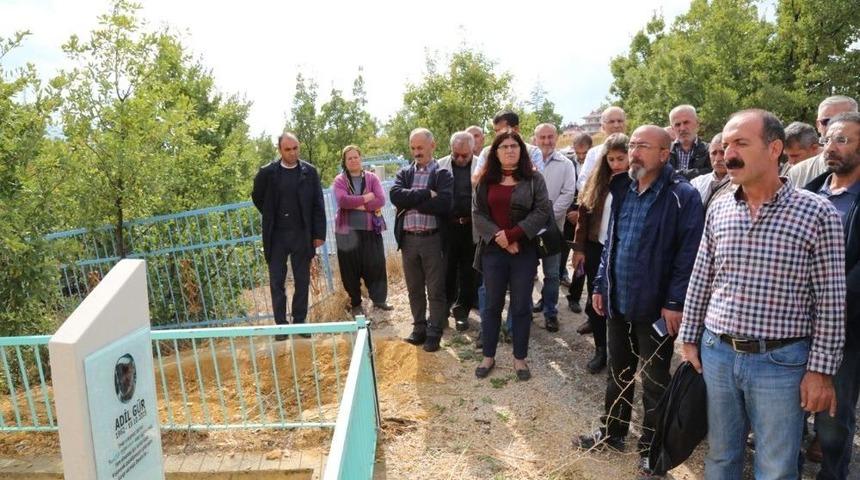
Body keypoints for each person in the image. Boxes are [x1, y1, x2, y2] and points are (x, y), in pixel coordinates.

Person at [680, 109, 845, 479]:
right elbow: (701, 276)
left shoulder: (816, 213)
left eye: (741, 143)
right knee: (721, 458)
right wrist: (690, 337)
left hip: (781, 363)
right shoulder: (720, 206)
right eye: (725, 145)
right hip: (717, 354)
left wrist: (820, 370)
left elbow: (832, 301)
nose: (728, 153)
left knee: (775, 466)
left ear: (774, 149)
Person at [575, 125, 704, 480]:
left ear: (665, 153)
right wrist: (600, 285)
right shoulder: (622, 189)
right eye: (632, 145)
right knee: (619, 371)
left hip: (657, 307)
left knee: (655, 380)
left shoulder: (683, 196)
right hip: (618, 300)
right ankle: (613, 433)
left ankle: (652, 449)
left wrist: (675, 302)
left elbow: (687, 255)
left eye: (643, 146)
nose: (634, 152)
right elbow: (610, 245)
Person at [805, 112, 860, 480]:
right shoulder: (810, 194)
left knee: (833, 416)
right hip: (795, 322)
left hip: (846, 326)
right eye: (828, 140)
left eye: (843, 141)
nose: (831, 148)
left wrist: (833, 298)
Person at [472, 131, 550, 381]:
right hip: (494, 252)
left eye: (514, 146)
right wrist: (501, 238)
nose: (509, 150)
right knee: (492, 305)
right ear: (495, 152)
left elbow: (542, 211)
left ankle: (519, 358)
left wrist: (514, 235)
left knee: (520, 306)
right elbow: (478, 215)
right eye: (504, 146)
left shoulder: (534, 179)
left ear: (521, 150)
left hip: (524, 252)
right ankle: (488, 355)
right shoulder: (485, 180)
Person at [252, 132, 326, 336]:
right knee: (277, 281)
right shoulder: (267, 172)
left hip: (302, 234)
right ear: (280, 150)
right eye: (288, 149)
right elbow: (257, 197)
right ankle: (281, 326)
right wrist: (270, 215)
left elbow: (318, 203)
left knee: (302, 280)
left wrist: (318, 234)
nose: (292, 153)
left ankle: (300, 322)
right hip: (276, 236)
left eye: (295, 148)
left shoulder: (309, 172)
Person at [390, 128, 454, 352]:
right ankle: (419, 328)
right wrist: (427, 194)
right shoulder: (404, 173)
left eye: (421, 147)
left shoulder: (443, 174)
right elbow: (395, 195)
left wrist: (410, 200)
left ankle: (435, 331)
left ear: (432, 146)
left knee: (435, 289)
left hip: (432, 240)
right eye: (413, 148)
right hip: (408, 240)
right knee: (414, 288)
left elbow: (444, 204)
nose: (417, 152)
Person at [571, 133, 629, 373]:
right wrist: (579, 249)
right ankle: (600, 349)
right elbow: (582, 219)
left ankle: (623, 352)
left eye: (620, 159)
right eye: (611, 159)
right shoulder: (597, 183)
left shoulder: (636, 183)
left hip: (623, 251)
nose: (615, 164)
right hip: (596, 249)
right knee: (596, 302)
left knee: (620, 303)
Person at [331, 145, 393, 317]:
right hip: (347, 233)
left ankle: (379, 299)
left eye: (356, 157)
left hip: (370, 229)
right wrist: (366, 198)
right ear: (345, 161)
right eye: (349, 158)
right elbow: (342, 201)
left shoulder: (372, 178)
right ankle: (356, 302)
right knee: (349, 270)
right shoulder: (340, 180)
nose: (353, 160)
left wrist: (356, 204)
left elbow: (380, 199)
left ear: (361, 158)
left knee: (376, 265)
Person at [531, 123, 576, 332]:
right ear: (535, 139)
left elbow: (568, 193)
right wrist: (532, 221)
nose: (547, 141)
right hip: (527, 229)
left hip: (552, 229)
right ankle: (525, 311)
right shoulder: (526, 162)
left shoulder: (566, 164)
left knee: (552, 274)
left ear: (556, 138)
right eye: (542, 137)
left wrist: (546, 218)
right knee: (526, 272)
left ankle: (550, 312)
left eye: (550, 137)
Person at [438, 131, 480, 331]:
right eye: (457, 155)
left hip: (472, 226)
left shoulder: (482, 165)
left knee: (469, 271)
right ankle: (444, 309)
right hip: (447, 226)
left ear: (473, 150)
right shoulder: (439, 166)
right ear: (451, 150)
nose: (461, 159)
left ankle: (462, 310)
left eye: (466, 155)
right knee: (446, 270)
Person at [788, 95, 858, 188]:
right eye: (827, 121)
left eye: (843, 119)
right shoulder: (798, 173)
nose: (833, 126)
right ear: (818, 125)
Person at [563, 133, 592, 315]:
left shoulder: (597, 163)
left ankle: (575, 296)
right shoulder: (567, 164)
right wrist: (568, 213)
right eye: (578, 152)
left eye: (585, 153)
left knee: (582, 259)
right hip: (567, 217)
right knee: (560, 255)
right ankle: (558, 278)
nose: (581, 157)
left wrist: (581, 214)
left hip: (587, 217)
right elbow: (563, 189)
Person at [474, 110, 544, 175]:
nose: (497, 135)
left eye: (501, 130)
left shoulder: (533, 152)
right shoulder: (487, 152)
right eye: (496, 131)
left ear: (516, 129)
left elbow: (538, 182)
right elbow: (476, 181)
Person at [577, 106, 628, 192]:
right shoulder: (593, 153)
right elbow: (582, 181)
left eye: (620, 121)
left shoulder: (635, 149)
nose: (616, 125)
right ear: (603, 127)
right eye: (611, 122)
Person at [690, 133, 734, 210]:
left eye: (722, 152)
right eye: (714, 153)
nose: (717, 159)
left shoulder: (743, 185)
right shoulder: (697, 183)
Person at [668, 105, 711, 179]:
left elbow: (712, 174)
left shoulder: (710, 151)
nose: (682, 128)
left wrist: (676, 174)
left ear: (697, 123)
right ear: (672, 128)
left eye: (686, 122)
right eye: (677, 125)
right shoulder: (664, 152)